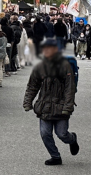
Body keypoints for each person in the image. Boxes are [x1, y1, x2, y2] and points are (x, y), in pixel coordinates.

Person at [23, 38, 79, 166]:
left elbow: (69, 88)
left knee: (62, 134)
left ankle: (72, 139)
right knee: (45, 133)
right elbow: (32, 85)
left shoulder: (65, 65)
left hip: (61, 106)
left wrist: (67, 106)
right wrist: (28, 102)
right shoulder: (40, 66)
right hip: (45, 106)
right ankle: (55, 156)